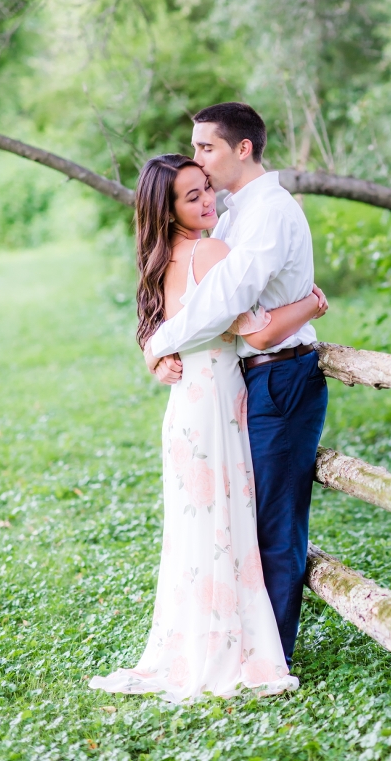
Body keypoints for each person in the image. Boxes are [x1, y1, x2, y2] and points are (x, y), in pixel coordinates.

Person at [91, 154, 327, 701]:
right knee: (226, 520)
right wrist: (311, 304)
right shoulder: (211, 251)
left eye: (207, 189)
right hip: (217, 399)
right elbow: (259, 330)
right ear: (168, 209)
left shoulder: (160, 261)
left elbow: (166, 328)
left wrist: (155, 354)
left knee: (198, 528)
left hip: (185, 409)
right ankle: (231, 648)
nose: (208, 202)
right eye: (192, 196)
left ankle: (201, 639)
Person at [141, 102, 329, 671]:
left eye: (206, 148)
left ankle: (270, 654)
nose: (198, 158)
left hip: (278, 376)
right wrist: (308, 304)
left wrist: (158, 341)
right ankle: (249, 647)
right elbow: (235, 310)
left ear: (241, 149)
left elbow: (225, 303)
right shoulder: (233, 217)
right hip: (243, 378)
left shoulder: (267, 213)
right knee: (241, 518)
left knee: (270, 521)